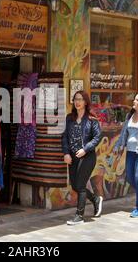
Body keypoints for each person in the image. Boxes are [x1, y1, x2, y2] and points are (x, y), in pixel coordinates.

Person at [62, 91, 102, 225]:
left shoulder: (92, 119)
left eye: (80, 99)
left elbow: (97, 137)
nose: (77, 102)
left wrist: (85, 149)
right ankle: (95, 199)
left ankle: (79, 216)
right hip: (72, 157)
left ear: (85, 102)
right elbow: (65, 137)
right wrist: (66, 153)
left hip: (87, 156)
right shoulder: (69, 118)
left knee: (80, 185)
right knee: (75, 186)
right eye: (75, 99)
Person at [113, 93, 138, 218]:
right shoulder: (129, 115)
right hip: (130, 151)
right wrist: (118, 146)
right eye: (134, 99)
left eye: (137, 100)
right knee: (130, 177)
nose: (134, 101)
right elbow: (124, 133)